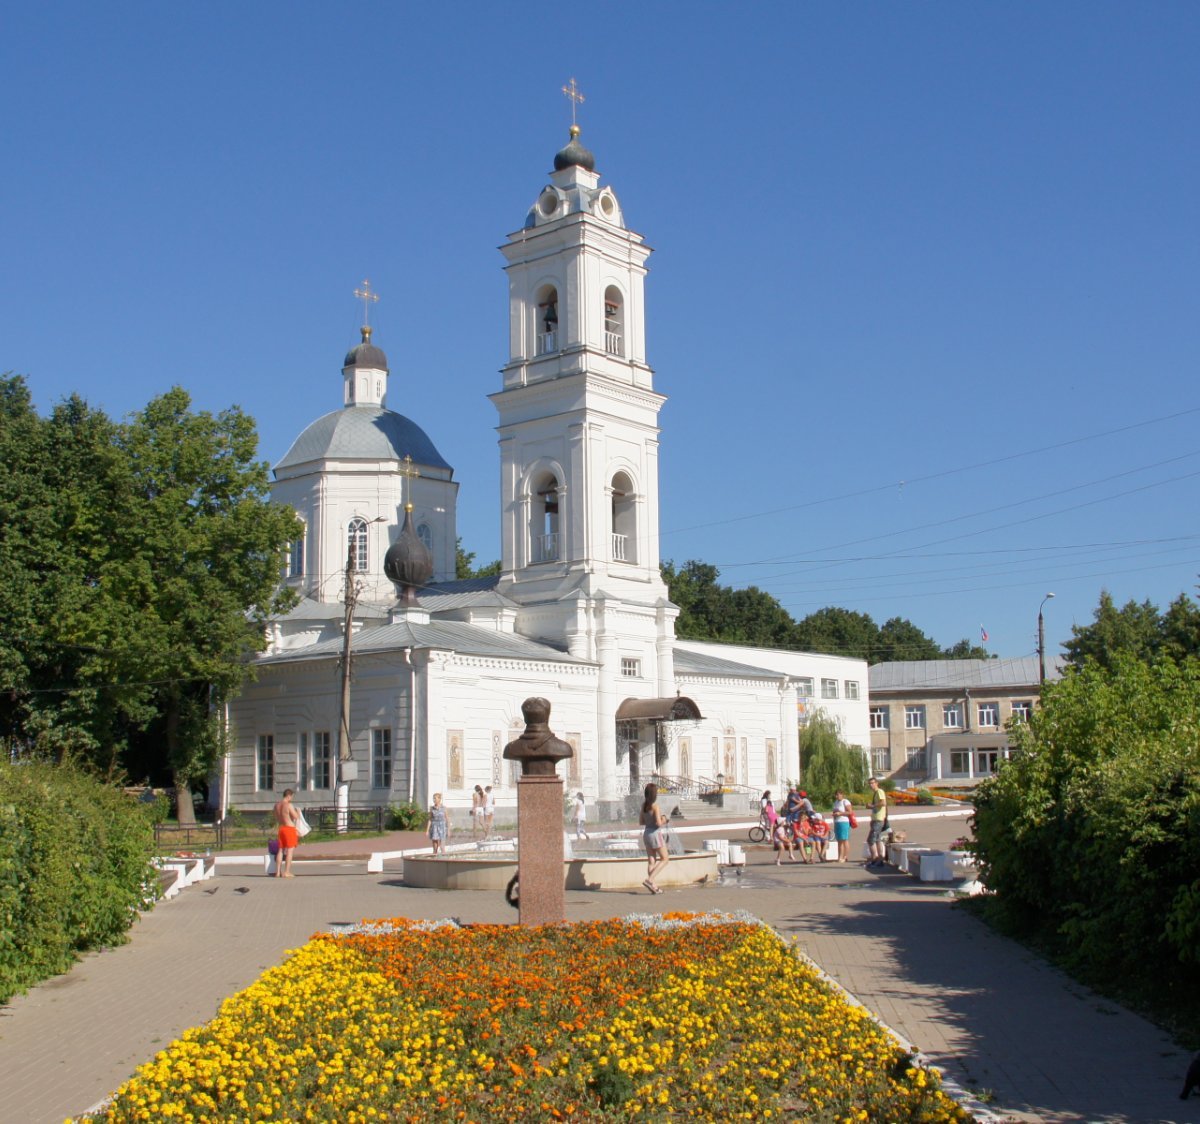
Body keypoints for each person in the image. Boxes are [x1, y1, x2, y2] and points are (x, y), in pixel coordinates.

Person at [640, 782, 670, 894]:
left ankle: (653, 886)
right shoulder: (655, 806)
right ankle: (650, 880)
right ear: (654, 795)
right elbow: (658, 823)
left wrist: (649, 820)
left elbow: (641, 821)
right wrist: (664, 819)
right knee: (665, 858)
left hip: (646, 833)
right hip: (655, 834)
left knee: (651, 860)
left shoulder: (643, 806)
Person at [273, 789, 301, 878]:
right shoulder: (288, 805)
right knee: (290, 850)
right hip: (289, 828)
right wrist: (298, 812)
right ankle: (287, 872)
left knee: (280, 850)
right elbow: (296, 816)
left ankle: (277, 872)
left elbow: (277, 817)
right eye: (292, 797)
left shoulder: (276, 805)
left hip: (281, 828)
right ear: (289, 795)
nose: (291, 798)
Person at [867, 777, 889, 868]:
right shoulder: (876, 793)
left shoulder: (879, 791)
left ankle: (875, 859)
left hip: (879, 819)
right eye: (870, 784)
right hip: (876, 819)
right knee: (878, 839)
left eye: (873, 783)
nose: (871, 785)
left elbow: (883, 803)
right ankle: (880, 859)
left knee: (871, 840)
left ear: (877, 783)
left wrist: (872, 805)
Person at [832, 790, 853, 863]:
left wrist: (840, 813)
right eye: (836, 795)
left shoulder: (845, 801)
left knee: (844, 839)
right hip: (837, 822)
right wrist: (834, 817)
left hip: (844, 821)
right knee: (839, 840)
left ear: (842, 795)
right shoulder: (836, 802)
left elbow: (850, 812)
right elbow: (834, 812)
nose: (836, 796)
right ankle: (839, 857)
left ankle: (845, 856)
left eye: (838, 794)